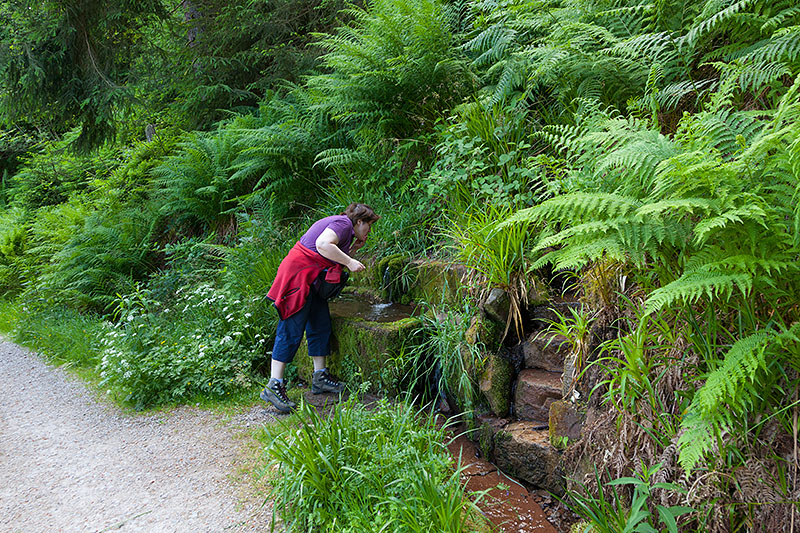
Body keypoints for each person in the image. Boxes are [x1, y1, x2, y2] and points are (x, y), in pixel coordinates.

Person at [260, 203, 380, 412]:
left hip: (311, 280)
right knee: (291, 328)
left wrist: (352, 250)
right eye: (368, 226)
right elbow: (323, 244)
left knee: (320, 323)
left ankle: (320, 378)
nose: (369, 231)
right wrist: (350, 260)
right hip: (298, 278)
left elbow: (327, 253)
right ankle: (274, 385)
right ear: (359, 221)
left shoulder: (345, 232)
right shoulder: (343, 224)